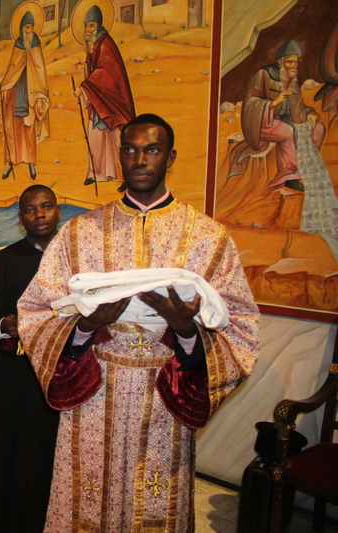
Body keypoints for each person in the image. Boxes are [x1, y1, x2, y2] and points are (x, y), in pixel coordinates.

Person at [17, 114, 260, 532]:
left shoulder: (208, 237)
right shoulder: (79, 233)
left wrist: (186, 331)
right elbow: (37, 310)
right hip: (95, 396)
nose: (139, 159)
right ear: (119, 155)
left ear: (170, 157)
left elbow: (242, 327)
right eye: (129, 149)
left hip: (163, 398)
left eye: (152, 150)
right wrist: (87, 326)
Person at [0, 184, 61, 533]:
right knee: (14, 460)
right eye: (29, 209)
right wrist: (3, 325)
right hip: (17, 379)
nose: (39, 215)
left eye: (46, 206)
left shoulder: (79, 259)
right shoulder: (3, 262)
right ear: (20, 217)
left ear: (58, 210)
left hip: (66, 377)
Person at [228, 40, 326, 192]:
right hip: (261, 121)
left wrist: (308, 112)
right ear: (281, 62)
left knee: (318, 128)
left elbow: (298, 105)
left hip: (285, 120)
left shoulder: (293, 78)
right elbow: (251, 102)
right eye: (289, 62)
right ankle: (289, 176)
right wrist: (273, 103)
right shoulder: (264, 74)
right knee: (288, 132)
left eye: (296, 62)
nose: (293, 66)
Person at [74, 5, 135, 188]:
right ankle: (96, 173)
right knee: (96, 137)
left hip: (112, 101)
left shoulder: (106, 42)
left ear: (99, 26)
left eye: (91, 26)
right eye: (86, 26)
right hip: (98, 99)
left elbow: (107, 70)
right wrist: (84, 68)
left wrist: (83, 88)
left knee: (116, 139)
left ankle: (124, 177)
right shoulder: (93, 44)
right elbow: (94, 67)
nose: (88, 29)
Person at [0, 7, 50, 181]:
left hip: (31, 95)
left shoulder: (35, 45)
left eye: (31, 28)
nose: (29, 31)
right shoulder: (18, 45)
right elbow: (12, 69)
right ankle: (11, 162)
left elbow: (40, 70)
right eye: (27, 28)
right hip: (15, 94)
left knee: (29, 130)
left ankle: (31, 163)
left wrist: (40, 92)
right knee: (12, 130)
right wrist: (4, 88)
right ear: (21, 30)